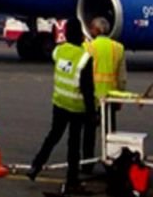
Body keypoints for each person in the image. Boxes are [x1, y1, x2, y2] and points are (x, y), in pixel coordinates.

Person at [28, 19, 94, 194]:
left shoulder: (59, 51)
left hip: (59, 102)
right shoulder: (85, 57)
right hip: (76, 106)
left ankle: (36, 165)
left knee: (53, 137)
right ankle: (72, 180)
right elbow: (88, 89)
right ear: (81, 35)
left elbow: (56, 58)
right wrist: (92, 113)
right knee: (74, 145)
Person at [83, 16, 127, 172]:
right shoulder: (118, 48)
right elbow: (122, 78)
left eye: (91, 28)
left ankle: (87, 164)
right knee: (109, 133)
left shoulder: (87, 47)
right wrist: (120, 97)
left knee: (89, 133)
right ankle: (111, 163)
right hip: (110, 98)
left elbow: (82, 74)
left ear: (95, 30)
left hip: (92, 98)